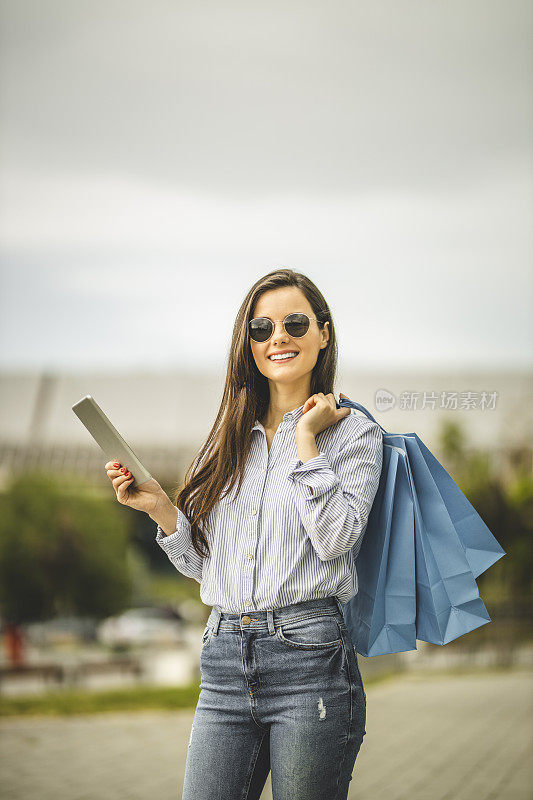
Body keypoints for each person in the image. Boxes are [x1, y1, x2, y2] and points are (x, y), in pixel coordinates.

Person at [105, 268, 383, 800]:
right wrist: (163, 510)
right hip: (224, 661)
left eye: (294, 323)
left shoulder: (353, 434)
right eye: (262, 328)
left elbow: (337, 540)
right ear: (248, 342)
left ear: (322, 333)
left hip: (310, 664)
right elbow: (206, 568)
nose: (278, 337)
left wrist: (305, 439)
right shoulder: (228, 438)